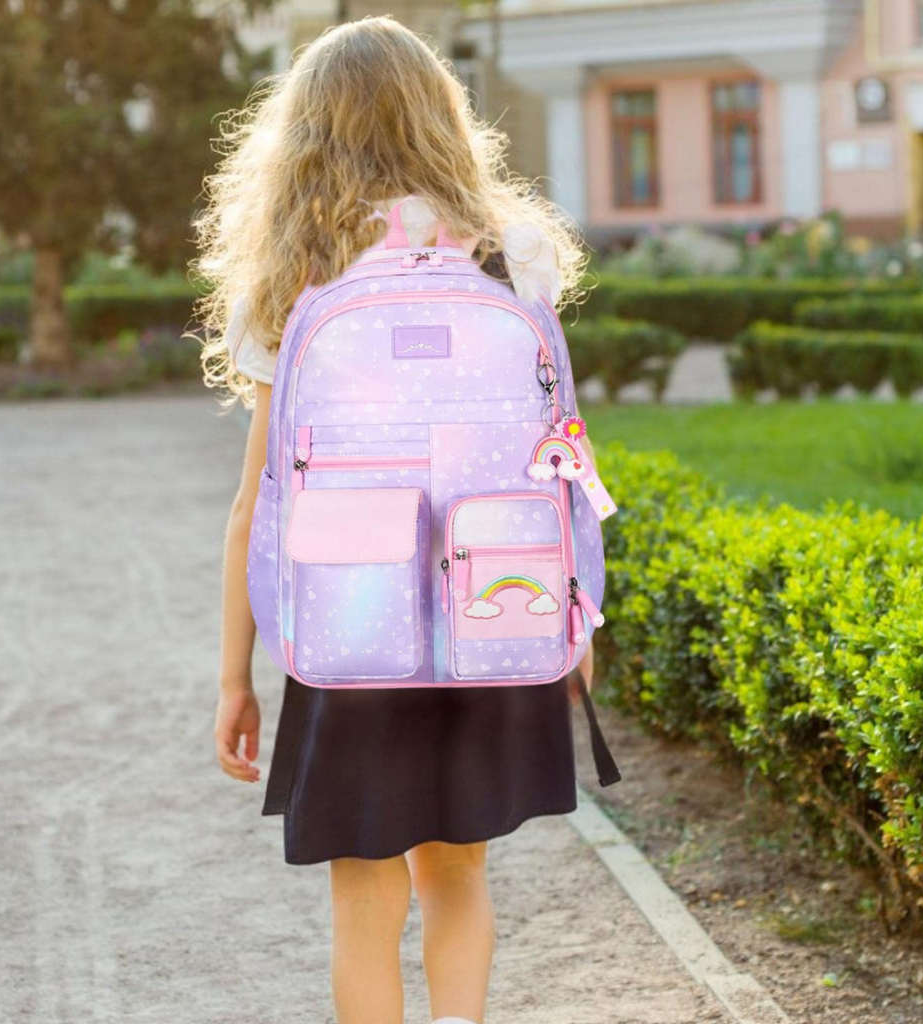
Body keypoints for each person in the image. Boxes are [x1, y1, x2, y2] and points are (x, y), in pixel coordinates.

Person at [195, 16, 598, 1024]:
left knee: (364, 901)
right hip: (493, 610)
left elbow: (254, 503)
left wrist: (236, 678)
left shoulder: (295, 271)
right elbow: (557, 454)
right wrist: (579, 618)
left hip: (350, 625)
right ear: (443, 119)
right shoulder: (512, 254)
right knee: (458, 875)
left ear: (305, 133)